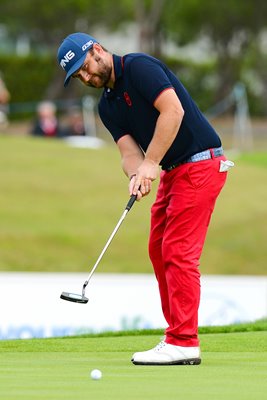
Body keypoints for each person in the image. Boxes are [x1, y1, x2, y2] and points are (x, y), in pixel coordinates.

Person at [57, 33, 233, 366]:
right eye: (78, 76)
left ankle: (183, 341)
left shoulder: (138, 67)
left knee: (178, 250)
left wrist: (150, 164)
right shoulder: (106, 106)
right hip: (174, 170)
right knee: (158, 247)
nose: (85, 77)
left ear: (97, 50)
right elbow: (128, 152)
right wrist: (137, 173)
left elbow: (173, 111)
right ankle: (176, 335)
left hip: (201, 162)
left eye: (84, 68)